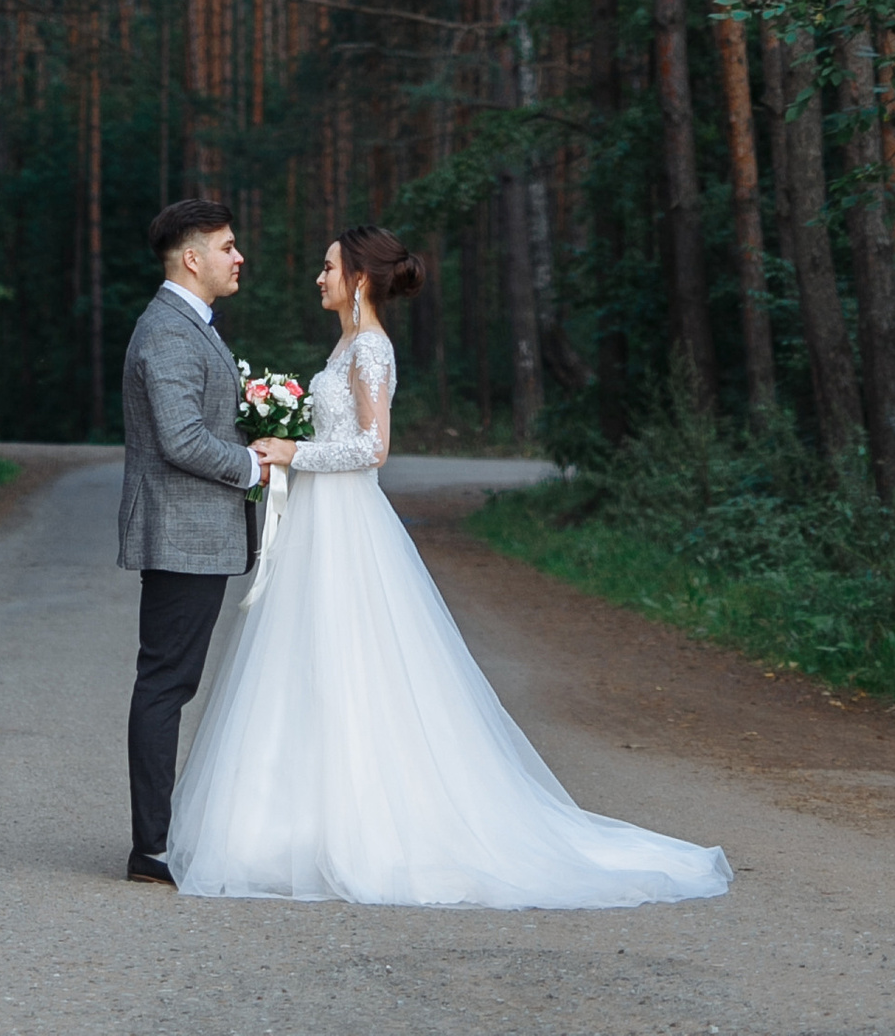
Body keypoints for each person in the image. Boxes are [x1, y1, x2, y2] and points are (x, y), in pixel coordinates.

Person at [166, 223, 734, 909]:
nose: (318, 278)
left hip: (349, 526)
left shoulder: (371, 348)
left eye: (328, 268)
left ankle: (364, 828)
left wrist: (294, 454)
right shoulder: (345, 342)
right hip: (322, 523)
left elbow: (374, 448)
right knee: (308, 664)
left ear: (360, 279)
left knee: (354, 666)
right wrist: (290, 433)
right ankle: (294, 825)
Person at [114, 196, 273, 884]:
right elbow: (180, 438)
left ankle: (157, 837)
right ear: (192, 257)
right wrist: (250, 465)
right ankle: (151, 847)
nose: (239, 257)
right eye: (228, 246)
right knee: (165, 684)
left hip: (195, 533)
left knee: (169, 682)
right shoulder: (170, 333)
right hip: (181, 533)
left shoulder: (190, 326)